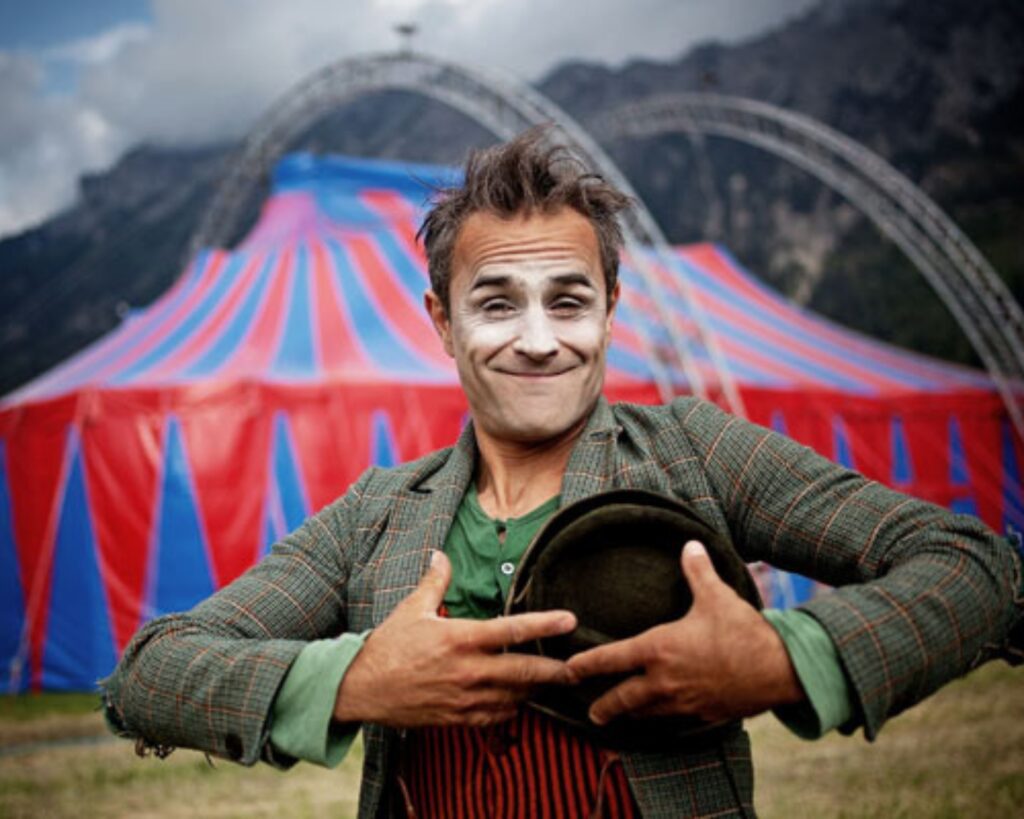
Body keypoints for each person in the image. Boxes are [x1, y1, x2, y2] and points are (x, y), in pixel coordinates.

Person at [103, 129, 1023, 818]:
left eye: (570, 301)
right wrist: (353, 680)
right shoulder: (375, 514)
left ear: (611, 308)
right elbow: (151, 673)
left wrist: (785, 658)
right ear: (442, 320)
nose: (539, 340)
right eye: (497, 303)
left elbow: (973, 563)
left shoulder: (696, 451)